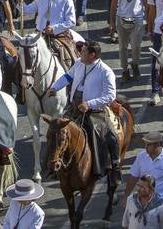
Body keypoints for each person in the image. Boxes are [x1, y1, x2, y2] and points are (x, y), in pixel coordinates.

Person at [49, 39, 121, 180]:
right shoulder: (79, 63)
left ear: (92, 55)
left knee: (106, 135)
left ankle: (113, 166)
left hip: (94, 111)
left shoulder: (106, 72)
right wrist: (54, 87)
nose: (80, 53)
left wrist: (90, 104)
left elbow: (110, 95)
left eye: (83, 51)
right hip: (74, 108)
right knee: (56, 131)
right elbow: (67, 77)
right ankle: (53, 163)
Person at [20, 0, 78, 68]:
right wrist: (21, 3)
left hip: (57, 36)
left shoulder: (67, 1)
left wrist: (54, 28)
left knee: (69, 59)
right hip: (39, 35)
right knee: (24, 54)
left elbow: (71, 22)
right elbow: (27, 10)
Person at [110, 0, 151, 83]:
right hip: (121, 18)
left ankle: (135, 64)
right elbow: (113, 3)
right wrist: (111, 22)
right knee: (122, 46)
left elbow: (147, 3)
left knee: (136, 46)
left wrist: (149, 21)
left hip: (137, 18)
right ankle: (125, 70)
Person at [124, 130, 163, 204]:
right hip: (142, 201)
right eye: (145, 144)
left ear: (157, 145)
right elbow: (133, 177)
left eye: (149, 145)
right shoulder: (141, 156)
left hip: (161, 204)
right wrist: (126, 197)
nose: (145, 147)